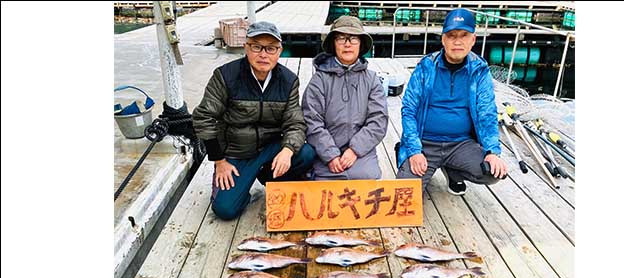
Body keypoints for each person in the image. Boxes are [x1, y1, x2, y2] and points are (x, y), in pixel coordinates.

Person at [193, 21, 315, 220]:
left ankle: (269, 177)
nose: (263, 54)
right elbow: (203, 117)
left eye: (271, 48)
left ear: (279, 51)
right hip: (236, 152)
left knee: (307, 153)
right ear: (246, 47)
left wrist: (287, 150)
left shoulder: (289, 80)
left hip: (270, 148)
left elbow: (295, 123)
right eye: (257, 47)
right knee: (225, 210)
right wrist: (219, 160)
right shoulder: (225, 76)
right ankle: (242, 186)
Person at [395, 8, 507, 195]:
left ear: (473, 40)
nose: (457, 41)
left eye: (464, 35)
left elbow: (487, 112)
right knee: (405, 193)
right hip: (425, 142)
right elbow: (409, 110)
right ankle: (404, 152)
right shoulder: (426, 67)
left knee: (492, 173)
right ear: (443, 39)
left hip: (460, 144)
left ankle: (453, 171)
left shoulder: (480, 70)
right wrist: (414, 151)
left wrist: (492, 152)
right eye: (451, 35)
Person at [302, 16, 388, 180]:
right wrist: (331, 155)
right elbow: (311, 121)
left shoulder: (372, 79)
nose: (347, 44)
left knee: (366, 181)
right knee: (322, 189)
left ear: (361, 44)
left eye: (353, 38)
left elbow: (378, 120)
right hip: (325, 153)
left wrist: (355, 150)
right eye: (341, 38)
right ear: (333, 43)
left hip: (360, 152)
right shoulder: (319, 80)